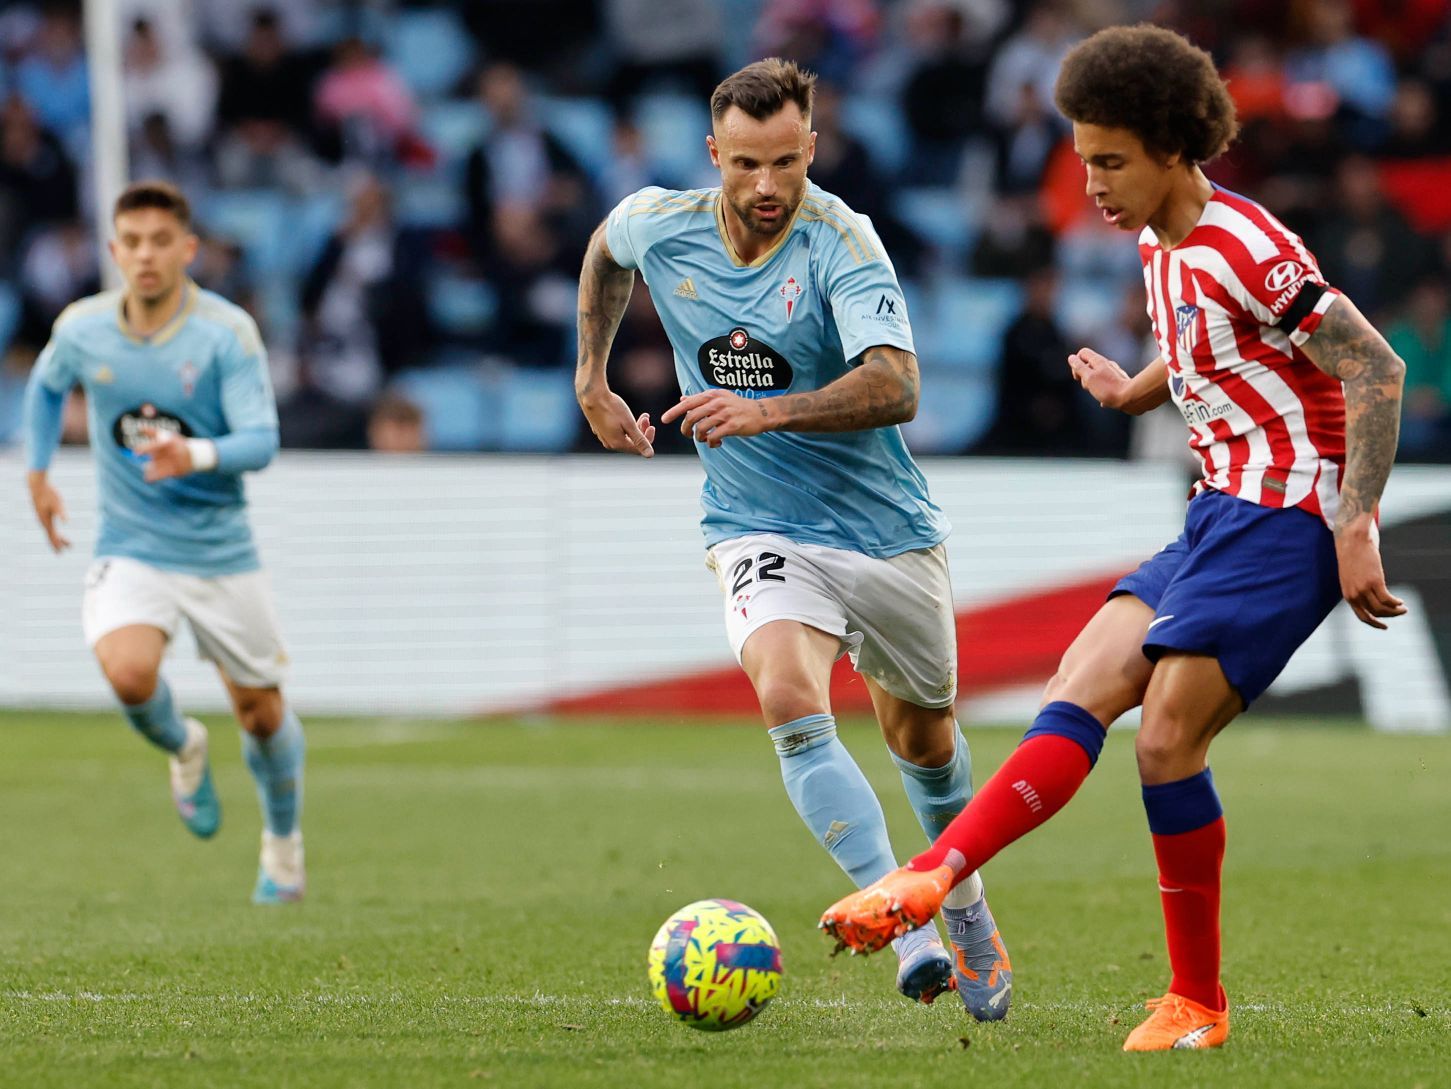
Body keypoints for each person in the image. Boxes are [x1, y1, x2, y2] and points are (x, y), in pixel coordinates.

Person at [820, 25, 1407, 1051]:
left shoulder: (1249, 248)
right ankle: (933, 878)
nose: (1087, 181)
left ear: (1172, 147)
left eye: (1107, 159)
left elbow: (1374, 369)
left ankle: (1196, 1002)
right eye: (1082, 156)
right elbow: (1206, 356)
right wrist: (1131, 389)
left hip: (1290, 516)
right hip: (1217, 508)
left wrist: (1352, 524)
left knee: (1166, 739)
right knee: (1078, 683)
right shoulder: (1154, 241)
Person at [575, 58, 1011, 1021]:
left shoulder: (841, 243)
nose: (766, 188)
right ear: (712, 156)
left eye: (785, 162)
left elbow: (897, 385)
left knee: (925, 742)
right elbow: (606, 250)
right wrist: (591, 377)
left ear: (811, 148)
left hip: (883, 532)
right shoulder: (664, 222)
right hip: (756, 524)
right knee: (782, 690)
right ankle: (912, 928)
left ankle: (968, 908)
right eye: (744, 165)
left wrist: (766, 412)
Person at [22, 181, 307, 905]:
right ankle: (184, 746)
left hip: (220, 548)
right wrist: (38, 469)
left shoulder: (225, 333)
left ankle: (282, 845)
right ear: (114, 250)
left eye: (160, 241)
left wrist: (196, 454)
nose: (145, 255)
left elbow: (262, 441)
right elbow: (47, 385)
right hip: (133, 541)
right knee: (127, 673)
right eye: (132, 242)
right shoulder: (84, 328)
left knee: (262, 713)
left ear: (187, 249)